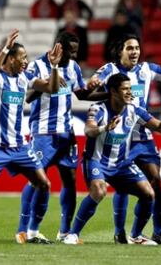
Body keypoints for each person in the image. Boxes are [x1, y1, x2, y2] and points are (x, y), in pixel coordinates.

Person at [63, 74, 161, 245]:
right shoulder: (98, 109)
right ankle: (72, 234)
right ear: (113, 91)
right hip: (97, 161)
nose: (130, 92)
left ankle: (135, 236)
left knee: (149, 193)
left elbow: (159, 126)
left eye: (130, 88)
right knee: (98, 191)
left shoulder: (134, 110)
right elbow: (89, 130)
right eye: (125, 89)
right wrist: (105, 127)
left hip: (121, 164)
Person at [0, 29, 61, 244]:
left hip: (20, 146)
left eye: (26, 58)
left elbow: (52, 88)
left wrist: (54, 66)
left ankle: (33, 232)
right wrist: (6, 46)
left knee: (44, 184)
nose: (26, 62)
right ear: (9, 59)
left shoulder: (24, 78)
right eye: (22, 57)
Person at [94, 34, 161, 244]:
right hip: (119, 137)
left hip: (143, 137)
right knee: (122, 186)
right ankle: (120, 232)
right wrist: (93, 83)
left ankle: (158, 230)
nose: (134, 51)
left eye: (137, 47)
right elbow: (93, 82)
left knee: (155, 180)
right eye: (130, 48)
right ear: (120, 51)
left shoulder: (148, 69)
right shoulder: (110, 70)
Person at [15, 31, 102, 244]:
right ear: (59, 47)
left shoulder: (74, 68)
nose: (73, 55)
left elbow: (81, 94)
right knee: (37, 180)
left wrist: (102, 90)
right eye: (70, 51)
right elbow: (28, 96)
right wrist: (49, 82)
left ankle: (64, 232)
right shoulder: (37, 66)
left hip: (66, 132)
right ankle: (23, 230)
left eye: (76, 51)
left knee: (70, 181)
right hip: (43, 132)